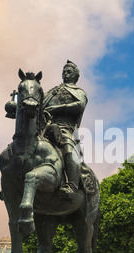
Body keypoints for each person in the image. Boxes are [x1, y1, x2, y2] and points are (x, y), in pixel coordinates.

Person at [43, 60, 87, 199]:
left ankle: (72, 185)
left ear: (75, 75)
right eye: (64, 71)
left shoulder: (79, 92)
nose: (65, 74)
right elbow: (39, 104)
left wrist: (57, 108)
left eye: (69, 72)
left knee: (69, 148)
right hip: (45, 128)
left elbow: (80, 105)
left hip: (64, 128)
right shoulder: (53, 91)